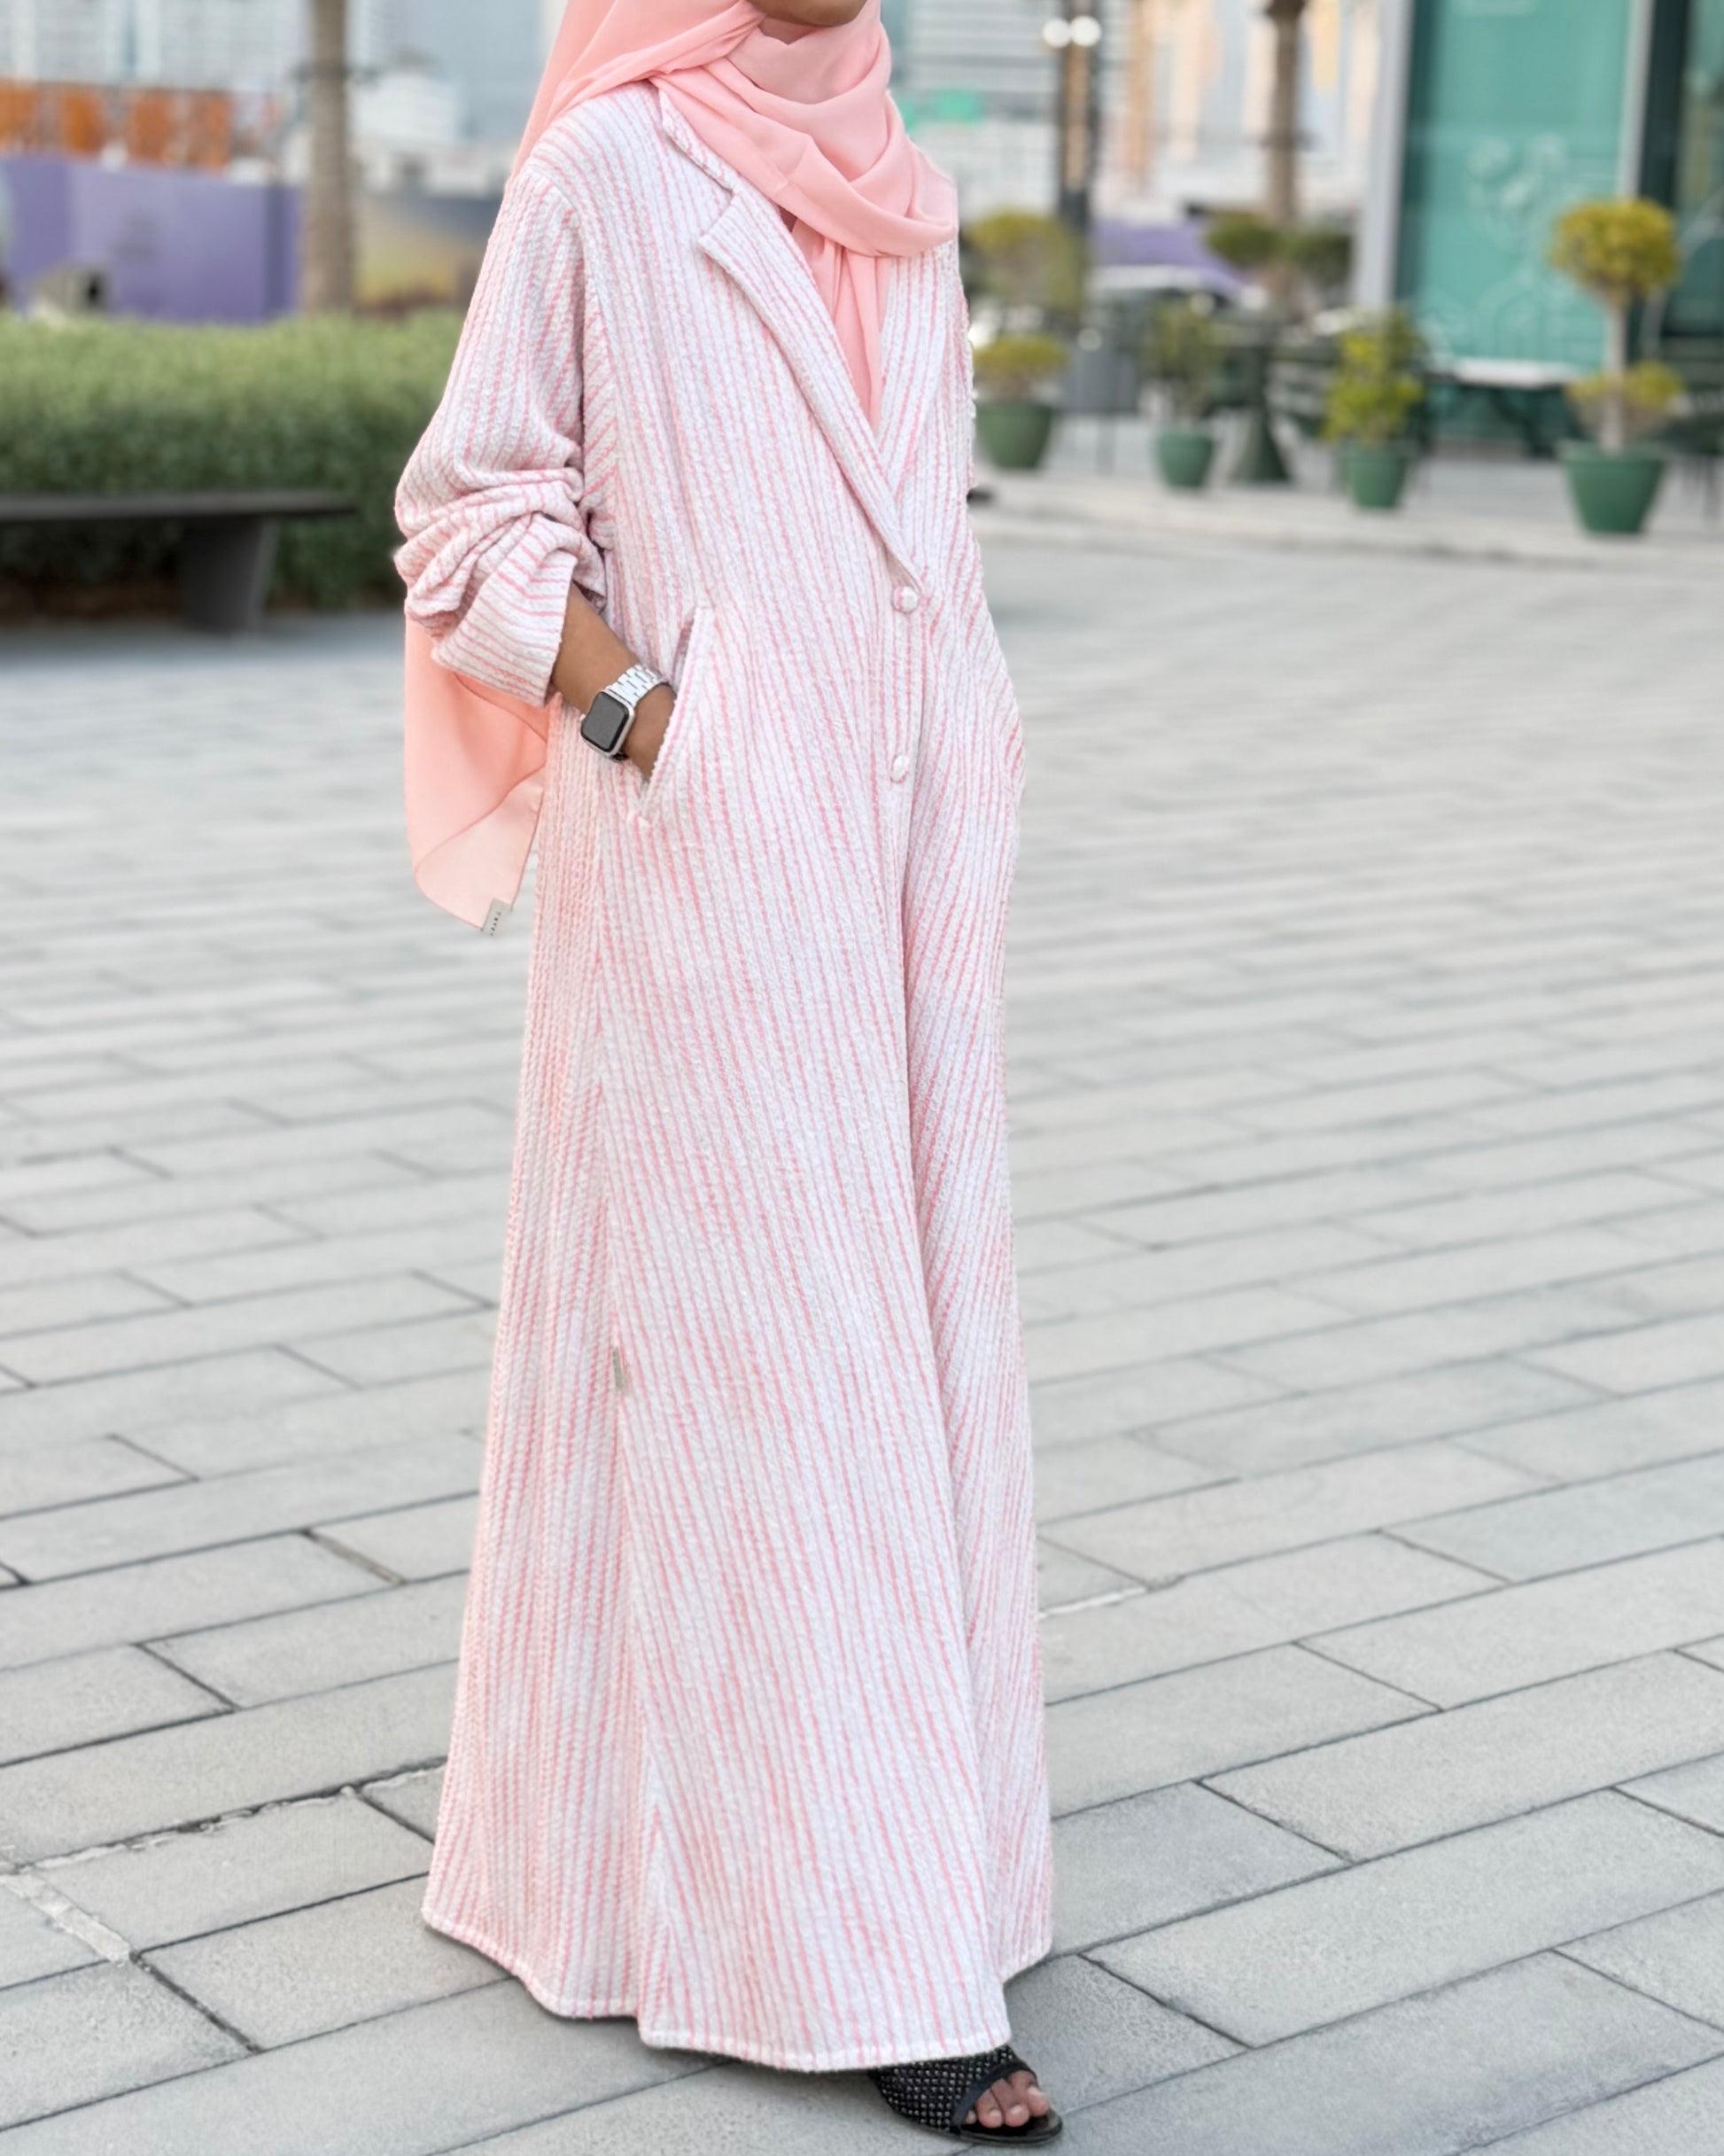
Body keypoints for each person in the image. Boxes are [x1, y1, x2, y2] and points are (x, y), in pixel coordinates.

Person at [394, 3, 1056, 2140]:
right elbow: (467, 513)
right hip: (707, 857)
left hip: (915, 850)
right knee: (794, 1375)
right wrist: (656, 721)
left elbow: (916, 525)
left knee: (891, 1347)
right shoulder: (605, 171)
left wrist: (969, 720)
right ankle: (878, 1955)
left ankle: (590, 1852)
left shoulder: (907, 187)